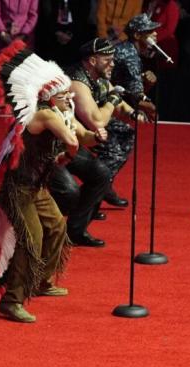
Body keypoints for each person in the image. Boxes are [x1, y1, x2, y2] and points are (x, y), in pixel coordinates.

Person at [0, 40, 107, 322]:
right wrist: (76, 144)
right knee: (32, 237)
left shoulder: (60, 113)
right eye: (64, 94)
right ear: (50, 96)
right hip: (15, 187)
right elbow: (73, 140)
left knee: (57, 227)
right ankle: (12, 299)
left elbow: (80, 135)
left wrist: (95, 134)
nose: (69, 99)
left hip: (36, 186)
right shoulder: (45, 114)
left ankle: (39, 280)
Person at [51, 38, 142, 246]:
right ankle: (47, 222)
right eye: (107, 59)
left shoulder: (100, 78)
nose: (112, 63)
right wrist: (112, 102)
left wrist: (135, 113)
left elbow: (82, 130)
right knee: (70, 193)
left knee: (101, 174)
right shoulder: (76, 82)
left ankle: (75, 231)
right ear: (92, 60)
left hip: (70, 140)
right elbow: (97, 120)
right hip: (45, 148)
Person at [102, 13, 159, 206]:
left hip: (109, 100)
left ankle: (102, 186)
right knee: (118, 147)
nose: (155, 34)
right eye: (149, 31)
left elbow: (133, 91)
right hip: (100, 103)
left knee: (121, 142)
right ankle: (94, 193)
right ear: (137, 35)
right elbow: (136, 96)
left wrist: (146, 86)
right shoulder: (129, 56)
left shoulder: (129, 50)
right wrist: (151, 108)